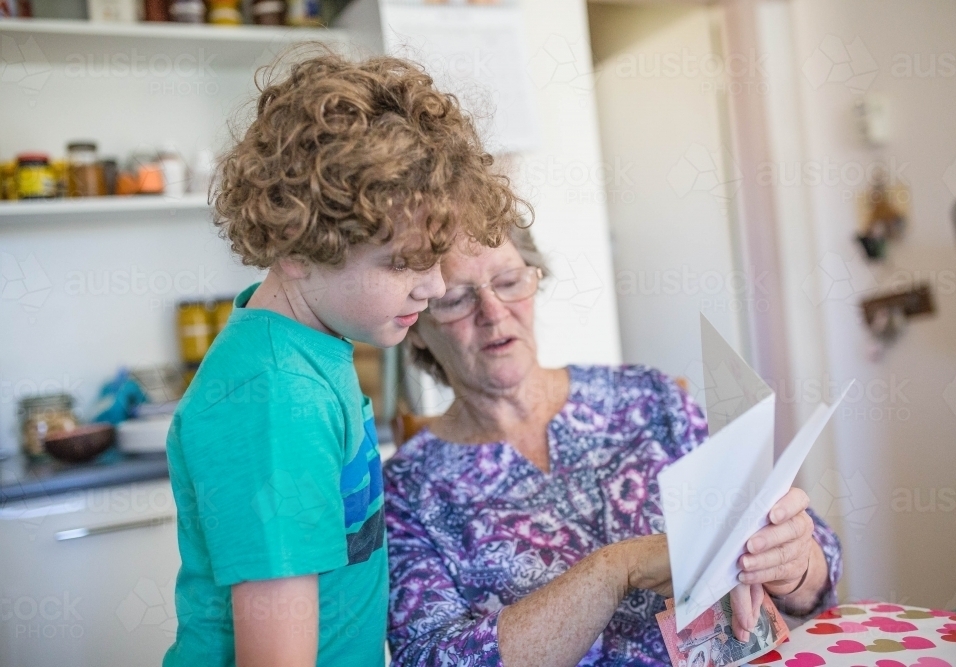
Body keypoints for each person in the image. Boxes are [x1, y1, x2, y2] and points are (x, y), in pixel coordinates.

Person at [163, 52, 523, 667]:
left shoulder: (305, 347)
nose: (434, 287)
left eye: (435, 258)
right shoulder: (278, 401)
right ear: (299, 247)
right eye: (402, 263)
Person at [384, 226, 843, 666]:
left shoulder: (649, 398)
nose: (493, 311)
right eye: (457, 299)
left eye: (508, 281)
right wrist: (614, 569)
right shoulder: (406, 491)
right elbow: (428, 658)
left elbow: (817, 569)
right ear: (416, 322)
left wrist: (793, 562)